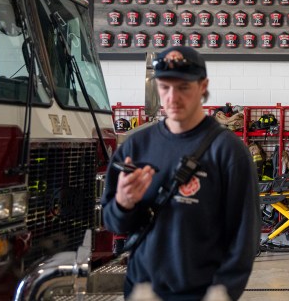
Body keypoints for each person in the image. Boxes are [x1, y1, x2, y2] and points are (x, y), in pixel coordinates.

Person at [101, 46, 260, 301]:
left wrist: (223, 291)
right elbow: (112, 223)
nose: (172, 97)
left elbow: (246, 235)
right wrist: (123, 203)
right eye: (164, 86)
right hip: (143, 290)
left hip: (203, 293)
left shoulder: (229, 151)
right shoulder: (136, 146)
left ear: (203, 86)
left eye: (183, 87)